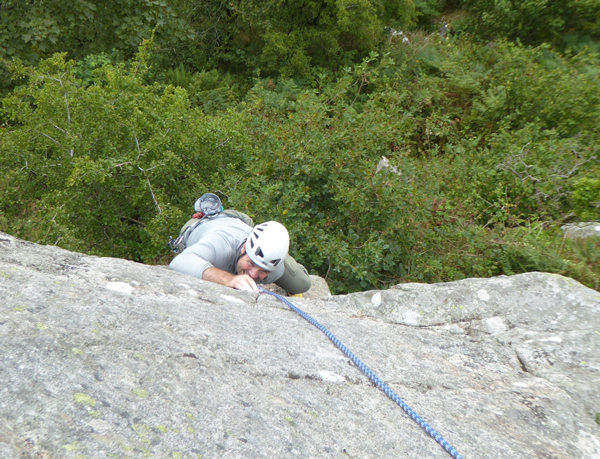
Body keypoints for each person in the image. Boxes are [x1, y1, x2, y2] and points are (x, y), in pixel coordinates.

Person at [169, 212, 311, 294]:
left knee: (301, 285)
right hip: (208, 222)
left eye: (264, 271)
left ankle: (271, 245)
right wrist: (228, 279)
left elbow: (303, 284)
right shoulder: (220, 244)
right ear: (244, 249)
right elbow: (180, 262)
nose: (254, 274)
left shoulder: (275, 270)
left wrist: (274, 250)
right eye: (251, 263)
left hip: (242, 227)